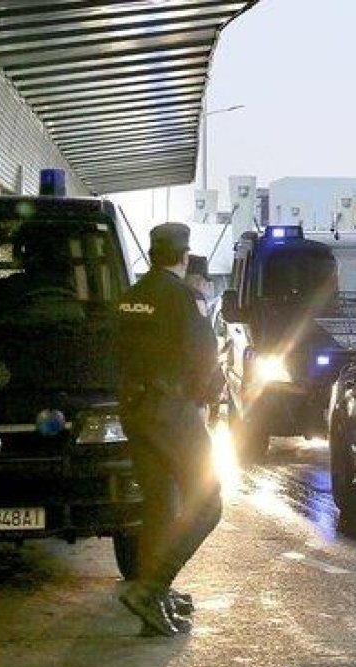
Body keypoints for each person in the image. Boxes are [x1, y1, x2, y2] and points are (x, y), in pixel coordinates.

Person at [114, 222, 223, 637]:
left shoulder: (130, 297)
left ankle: (153, 600)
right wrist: (201, 398)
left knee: (159, 503)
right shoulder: (184, 297)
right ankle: (151, 589)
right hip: (171, 409)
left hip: (135, 408)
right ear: (183, 256)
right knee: (208, 503)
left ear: (151, 253)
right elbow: (205, 356)